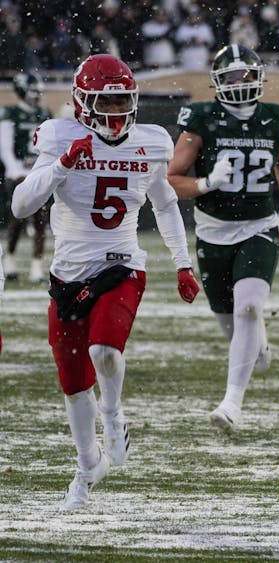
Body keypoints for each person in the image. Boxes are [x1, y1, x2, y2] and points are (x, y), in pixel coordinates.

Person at [11, 54, 200, 510]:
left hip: (122, 264)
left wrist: (182, 262)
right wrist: (60, 168)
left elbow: (166, 203)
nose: (116, 113)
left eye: (122, 102)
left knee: (104, 350)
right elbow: (19, 205)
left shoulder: (151, 143)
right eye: (106, 102)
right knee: (74, 385)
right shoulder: (60, 138)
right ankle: (86, 466)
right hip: (67, 274)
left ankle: (114, 417)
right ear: (82, 103)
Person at [167, 44, 279, 434]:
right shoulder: (202, 118)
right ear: (217, 82)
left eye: (245, 75)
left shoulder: (275, 117)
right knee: (229, 318)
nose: (238, 83)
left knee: (248, 307)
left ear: (259, 77)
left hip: (258, 225)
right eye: (229, 77)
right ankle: (256, 343)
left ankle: (232, 402)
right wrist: (207, 182)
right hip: (213, 231)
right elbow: (172, 179)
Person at [2, 72, 53, 282]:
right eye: (33, 90)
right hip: (19, 171)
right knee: (19, 219)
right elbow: (5, 148)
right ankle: (10, 258)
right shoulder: (10, 113)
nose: (37, 95)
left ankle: (36, 265)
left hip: (39, 172)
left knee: (41, 219)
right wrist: (15, 173)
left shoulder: (45, 113)